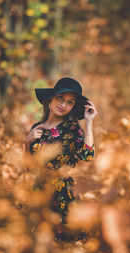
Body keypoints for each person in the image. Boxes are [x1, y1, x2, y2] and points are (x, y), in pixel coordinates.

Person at [24, 77, 97, 241]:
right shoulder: (37, 128)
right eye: (60, 98)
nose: (64, 105)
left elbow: (88, 155)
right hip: (39, 192)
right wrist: (27, 142)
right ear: (51, 98)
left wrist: (89, 122)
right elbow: (29, 167)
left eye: (70, 102)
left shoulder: (73, 131)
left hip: (63, 194)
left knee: (63, 247)